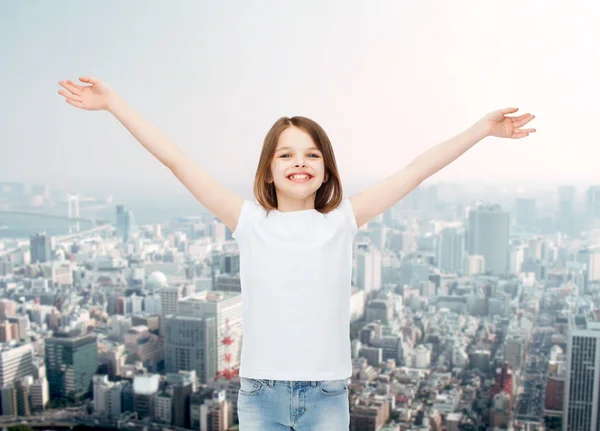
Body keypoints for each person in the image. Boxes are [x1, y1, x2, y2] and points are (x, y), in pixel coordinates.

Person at [57, 76, 536, 430]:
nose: (299, 162)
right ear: (267, 171)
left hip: (328, 397)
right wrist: (115, 103)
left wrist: (480, 130)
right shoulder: (248, 221)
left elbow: (415, 170)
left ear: (326, 170)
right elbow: (177, 160)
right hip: (260, 397)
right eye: (285, 154)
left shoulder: (342, 220)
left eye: (311, 154)